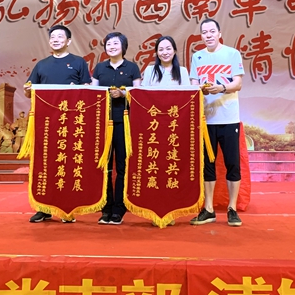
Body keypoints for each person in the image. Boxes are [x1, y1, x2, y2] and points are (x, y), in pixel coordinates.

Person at [24, 24, 92, 223]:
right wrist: (27, 90)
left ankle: (67, 209)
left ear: (68, 41)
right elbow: (30, 90)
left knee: (69, 163)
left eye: (60, 37)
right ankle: (43, 208)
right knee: (44, 163)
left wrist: (76, 89)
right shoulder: (41, 65)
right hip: (46, 123)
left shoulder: (78, 62)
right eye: (52, 37)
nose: (55, 40)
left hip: (71, 122)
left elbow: (86, 89)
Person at [189, 18, 244, 227]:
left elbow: (238, 83)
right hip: (206, 120)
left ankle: (232, 208)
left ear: (219, 33)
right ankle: (209, 209)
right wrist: (201, 89)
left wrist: (221, 88)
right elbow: (193, 84)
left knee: (232, 163)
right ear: (201, 36)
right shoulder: (197, 56)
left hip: (229, 118)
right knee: (207, 165)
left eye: (212, 31)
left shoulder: (232, 54)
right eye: (204, 32)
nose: (208, 35)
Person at [92, 32, 142, 225]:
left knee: (122, 166)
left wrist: (123, 94)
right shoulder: (99, 68)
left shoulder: (132, 67)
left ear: (123, 47)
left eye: (115, 43)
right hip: (103, 123)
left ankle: (119, 208)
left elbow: (138, 94)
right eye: (108, 44)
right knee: (104, 166)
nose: (111, 47)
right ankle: (106, 207)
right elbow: (93, 93)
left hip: (124, 123)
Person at [141, 35, 189, 227]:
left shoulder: (182, 72)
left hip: (175, 128)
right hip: (154, 128)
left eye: (168, 48)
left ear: (175, 51)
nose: (165, 52)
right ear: (156, 53)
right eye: (161, 49)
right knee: (155, 168)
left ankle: (171, 210)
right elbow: (143, 96)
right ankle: (155, 210)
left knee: (173, 168)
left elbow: (188, 97)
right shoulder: (150, 70)